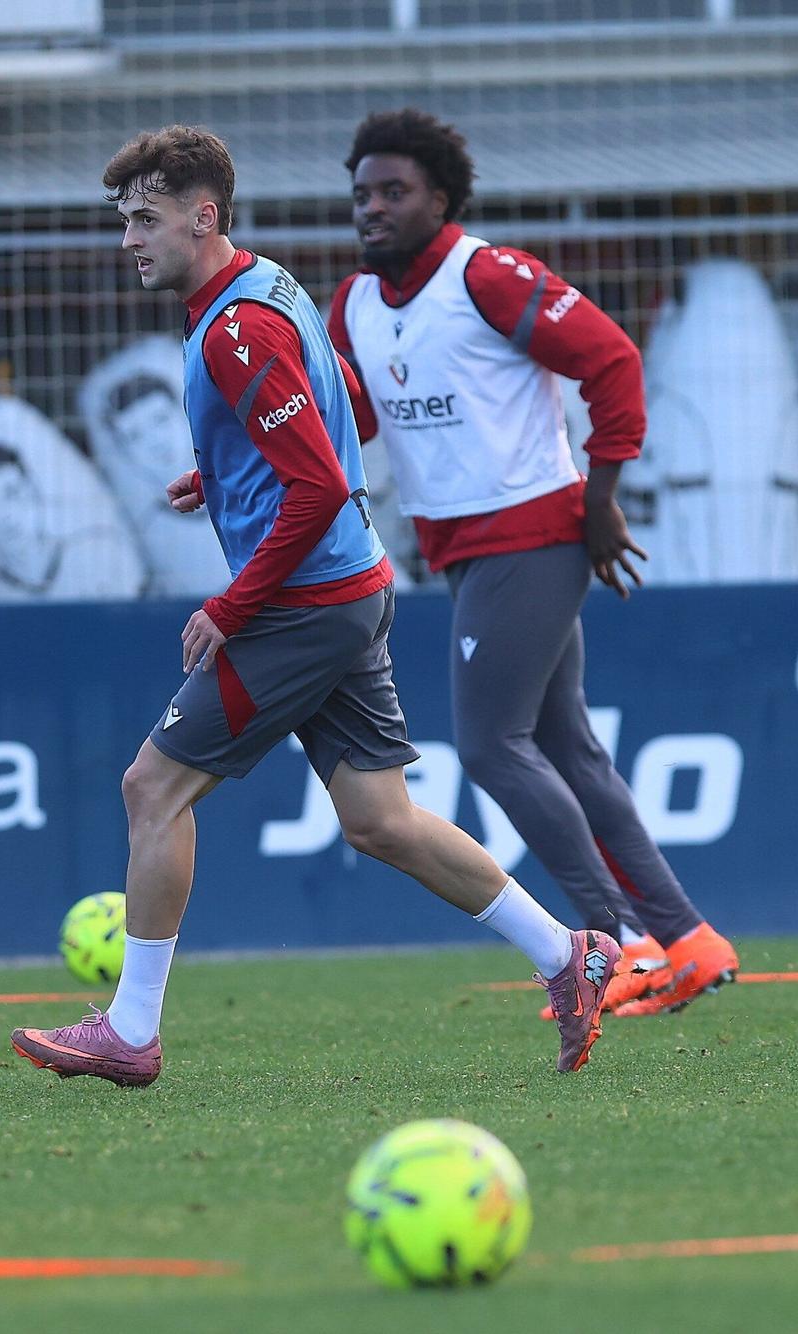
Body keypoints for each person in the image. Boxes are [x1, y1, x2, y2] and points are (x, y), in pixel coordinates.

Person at [12, 126, 620, 1089]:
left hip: (304, 602)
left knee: (151, 789)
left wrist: (232, 602)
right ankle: (567, 955)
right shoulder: (265, 286)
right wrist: (219, 475)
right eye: (124, 221)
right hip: (351, 589)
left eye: (146, 219)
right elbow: (325, 405)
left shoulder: (235, 325)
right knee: (381, 821)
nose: (129, 240)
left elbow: (320, 486)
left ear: (202, 215)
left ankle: (130, 1031)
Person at [327, 109, 738, 1019]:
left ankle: (620, 947)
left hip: (530, 538)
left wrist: (599, 498)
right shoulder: (354, 306)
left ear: (442, 198)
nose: (374, 208)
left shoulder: (487, 274)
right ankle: (686, 941)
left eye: (395, 191)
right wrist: (232, 461)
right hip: (468, 549)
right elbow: (349, 424)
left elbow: (612, 361)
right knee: (564, 748)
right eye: (362, 194)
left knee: (489, 746)